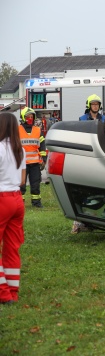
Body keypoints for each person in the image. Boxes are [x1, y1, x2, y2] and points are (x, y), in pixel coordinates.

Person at [0, 113, 26, 304]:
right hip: (17, 200)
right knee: (12, 248)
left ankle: (3, 293)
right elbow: (23, 180)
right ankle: (13, 292)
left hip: (2, 200)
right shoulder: (20, 149)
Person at [19, 107, 47, 208]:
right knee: (21, 185)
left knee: (35, 184)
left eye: (32, 117)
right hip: (21, 164)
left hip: (35, 163)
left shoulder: (38, 130)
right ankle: (19, 203)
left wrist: (44, 159)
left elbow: (42, 145)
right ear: (23, 117)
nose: (30, 118)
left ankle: (36, 203)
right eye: (28, 117)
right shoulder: (18, 130)